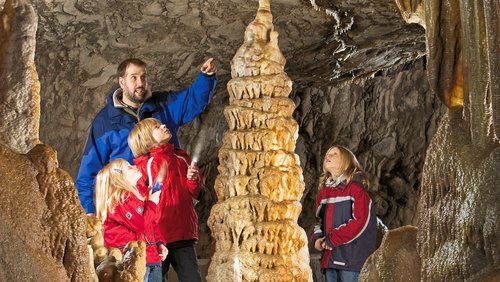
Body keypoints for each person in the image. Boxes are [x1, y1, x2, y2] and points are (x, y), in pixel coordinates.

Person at [76, 57, 217, 215]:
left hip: (167, 201)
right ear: (122, 82)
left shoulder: (162, 105)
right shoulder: (105, 122)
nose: (140, 83)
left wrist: (206, 77)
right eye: (134, 78)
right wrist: (89, 212)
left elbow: (192, 100)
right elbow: (89, 170)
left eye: (143, 77)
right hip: (127, 207)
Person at [128, 118, 204, 282]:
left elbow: (197, 195)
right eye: (157, 127)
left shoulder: (182, 158)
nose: (164, 126)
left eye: (162, 124)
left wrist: (194, 180)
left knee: (192, 278)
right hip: (156, 240)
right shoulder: (143, 167)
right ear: (146, 138)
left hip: (183, 235)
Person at [95, 158, 168, 282]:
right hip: (131, 261)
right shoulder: (120, 199)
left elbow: (152, 223)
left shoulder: (139, 197)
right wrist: (151, 203)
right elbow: (141, 224)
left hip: (151, 258)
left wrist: (160, 243)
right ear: (118, 176)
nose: (134, 166)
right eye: (129, 167)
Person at [311, 145, 377, 282]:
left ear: (346, 161)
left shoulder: (356, 191)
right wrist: (317, 239)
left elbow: (360, 222)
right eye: (327, 154)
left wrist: (332, 239)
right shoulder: (324, 194)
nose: (327, 156)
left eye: (334, 154)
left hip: (351, 260)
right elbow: (318, 221)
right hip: (330, 258)